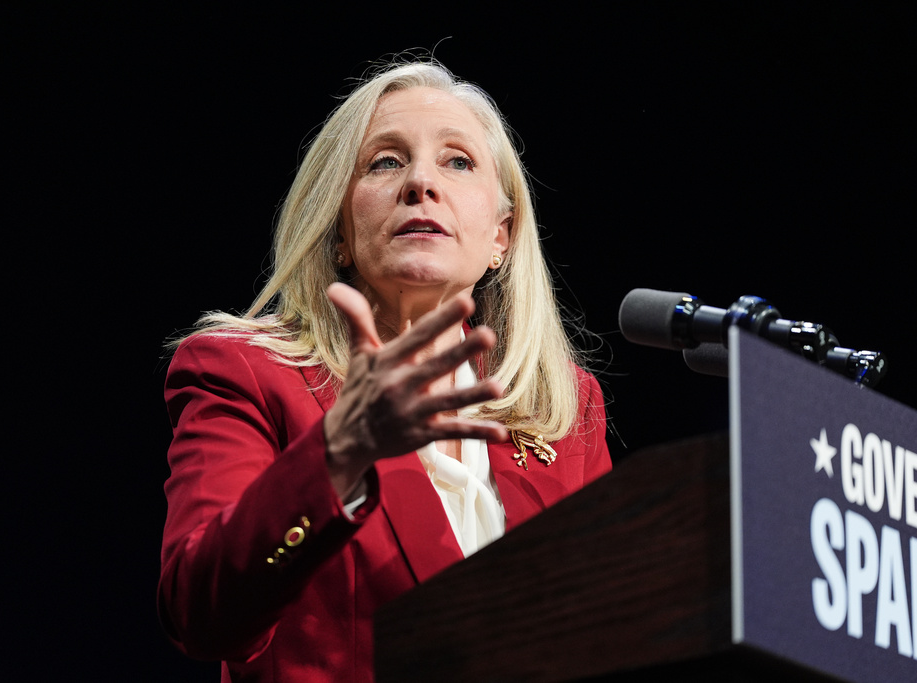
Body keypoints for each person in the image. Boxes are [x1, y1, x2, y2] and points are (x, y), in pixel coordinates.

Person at [159, 59, 611, 683]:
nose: (421, 183)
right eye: (385, 162)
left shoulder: (562, 404)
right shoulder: (244, 372)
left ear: (501, 238)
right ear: (340, 231)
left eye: (458, 161)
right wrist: (338, 452)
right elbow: (200, 613)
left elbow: (612, 630)